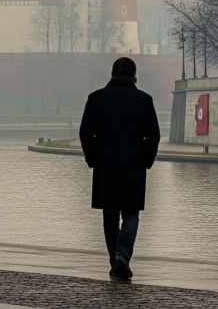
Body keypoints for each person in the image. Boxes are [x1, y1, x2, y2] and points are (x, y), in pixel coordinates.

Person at [79, 56, 161, 280]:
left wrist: (92, 157)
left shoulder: (96, 99)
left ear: (112, 74)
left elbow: (85, 132)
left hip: (105, 165)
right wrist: (146, 160)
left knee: (109, 215)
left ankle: (115, 258)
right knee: (131, 214)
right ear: (134, 77)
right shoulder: (144, 100)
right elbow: (153, 135)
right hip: (133, 165)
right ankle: (123, 254)